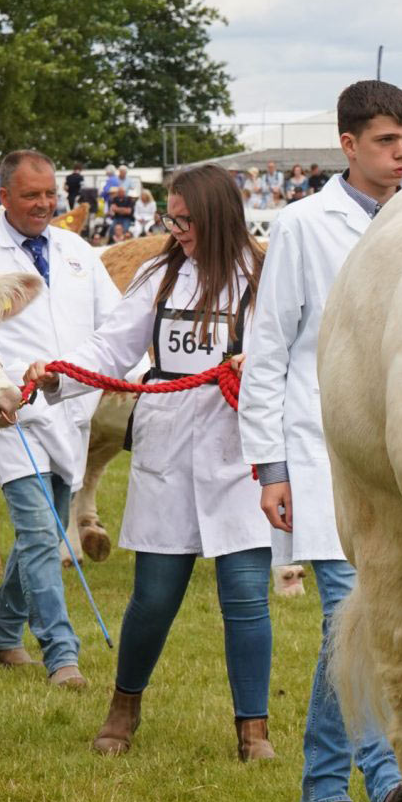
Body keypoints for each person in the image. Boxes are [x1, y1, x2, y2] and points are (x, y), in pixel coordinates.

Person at [35, 165, 274, 760]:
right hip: (168, 439)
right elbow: (112, 345)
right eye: (172, 217)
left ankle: (254, 730)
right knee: (155, 594)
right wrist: (60, 372)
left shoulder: (265, 277)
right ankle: (125, 706)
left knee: (245, 593)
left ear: (218, 217)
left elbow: (294, 346)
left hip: (236, 444)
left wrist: (259, 365)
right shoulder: (160, 275)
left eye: (186, 219)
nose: (176, 228)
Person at [242, 79, 402, 802]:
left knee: (352, 618)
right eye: (387, 140)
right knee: (362, 607)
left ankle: (320, 784)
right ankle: (386, 782)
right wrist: (270, 463)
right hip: (319, 447)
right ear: (348, 145)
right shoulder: (305, 226)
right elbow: (270, 345)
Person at [0, 150, 122, 687]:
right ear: (3, 196)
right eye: (31, 195)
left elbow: (113, 327)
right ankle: (61, 654)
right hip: (13, 413)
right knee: (44, 534)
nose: (45, 204)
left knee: (37, 536)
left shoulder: (78, 252)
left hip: (72, 411)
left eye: (50, 194)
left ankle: (0, 635)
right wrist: (15, 375)